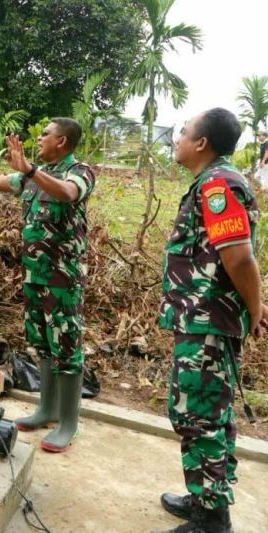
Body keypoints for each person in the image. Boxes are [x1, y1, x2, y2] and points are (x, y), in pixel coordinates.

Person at [0, 118, 94, 453]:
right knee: (41, 343)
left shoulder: (78, 171)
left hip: (63, 280)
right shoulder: (33, 177)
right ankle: (47, 409)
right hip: (35, 276)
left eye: (45, 135)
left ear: (62, 141)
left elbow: (68, 193)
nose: (38, 139)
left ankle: (68, 423)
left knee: (66, 348)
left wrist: (30, 170)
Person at [158, 108, 268, 533]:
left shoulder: (218, 184)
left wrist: (254, 308)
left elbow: (239, 257)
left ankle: (211, 520)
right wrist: (253, 305)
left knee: (199, 416)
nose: (178, 138)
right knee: (210, 414)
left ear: (201, 143)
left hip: (207, 324)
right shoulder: (212, 182)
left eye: (184, 132)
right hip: (204, 320)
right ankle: (207, 497)